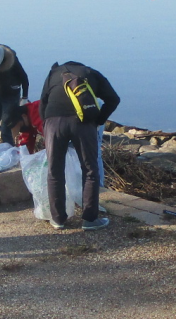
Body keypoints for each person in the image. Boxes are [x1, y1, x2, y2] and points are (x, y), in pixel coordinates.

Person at [39, 60, 120, 230]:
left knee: (54, 171)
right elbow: (113, 99)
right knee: (90, 170)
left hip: (54, 123)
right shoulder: (91, 73)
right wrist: (98, 121)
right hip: (83, 123)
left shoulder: (53, 74)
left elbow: (42, 105)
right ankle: (90, 220)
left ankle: (58, 219)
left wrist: (47, 125)